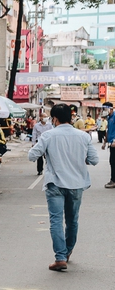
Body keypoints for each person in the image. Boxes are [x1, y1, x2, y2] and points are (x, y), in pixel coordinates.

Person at [28, 103, 98, 271]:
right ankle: (67, 252)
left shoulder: (48, 136)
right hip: (76, 185)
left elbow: (32, 155)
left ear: (55, 119)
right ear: (71, 118)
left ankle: (60, 258)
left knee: (56, 221)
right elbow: (94, 160)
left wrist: (46, 152)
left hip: (55, 184)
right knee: (72, 220)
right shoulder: (83, 136)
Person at [104, 102, 115, 188]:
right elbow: (108, 130)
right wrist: (105, 142)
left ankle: (113, 180)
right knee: (112, 162)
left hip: (114, 143)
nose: (104, 111)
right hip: (111, 143)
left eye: (105, 109)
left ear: (111, 108)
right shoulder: (109, 117)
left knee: (113, 161)